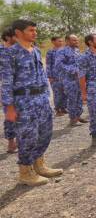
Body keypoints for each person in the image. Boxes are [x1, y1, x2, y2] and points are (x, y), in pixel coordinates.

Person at [1, 19, 63, 186]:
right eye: (31, 30)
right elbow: (6, 82)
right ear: (19, 33)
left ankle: (39, 165)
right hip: (23, 100)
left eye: (35, 30)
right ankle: (25, 172)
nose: (35, 33)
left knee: (45, 132)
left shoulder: (35, 50)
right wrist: (9, 107)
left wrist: (47, 96)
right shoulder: (10, 53)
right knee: (28, 136)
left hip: (41, 99)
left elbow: (41, 76)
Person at [55, 34, 88, 126]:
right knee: (72, 98)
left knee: (79, 98)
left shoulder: (77, 50)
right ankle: (73, 119)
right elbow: (59, 65)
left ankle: (78, 116)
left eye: (77, 40)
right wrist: (73, 70)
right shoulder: (61, 51)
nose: (76, 42)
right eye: (74, 40)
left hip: (79, 79)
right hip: (69, 79)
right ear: (67, 41)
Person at [1, 27, 18, 153]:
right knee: (9, 116)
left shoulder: (18, 51)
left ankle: (21, 141)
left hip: (21, 89)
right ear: (7, 37)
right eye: (14, 36)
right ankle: (11, 142)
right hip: (6, 89)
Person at [46, 36, 67, 116]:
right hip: (55, 76)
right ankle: (58, 109)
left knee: (65, 92)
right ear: (53, 42)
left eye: (62, 41)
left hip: (64, 75)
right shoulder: (50, 52)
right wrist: (50, 76)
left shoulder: (64, 51)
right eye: (59, 41)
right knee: (57, 93)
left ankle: (64, 108)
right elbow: (48, 64)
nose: (61, 43)